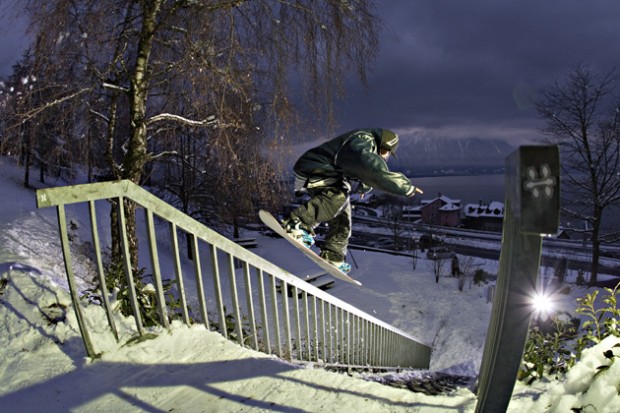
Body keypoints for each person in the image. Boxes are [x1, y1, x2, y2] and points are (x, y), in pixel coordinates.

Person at [282, 128, 423, 273]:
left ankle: (333, 254)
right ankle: (298, 223)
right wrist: (406, 187)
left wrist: (363, 187)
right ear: (381, 145)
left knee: (343, 215)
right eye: (385, 152)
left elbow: (362, 168)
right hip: (315, 168)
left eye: (387, 154)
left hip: (328, 173)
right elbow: (372, 169)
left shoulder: (364, 148)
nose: (385, 156)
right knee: (337, 197)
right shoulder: (362, 140)